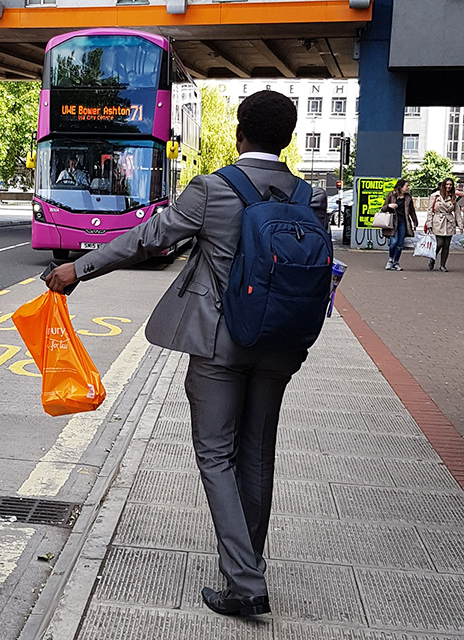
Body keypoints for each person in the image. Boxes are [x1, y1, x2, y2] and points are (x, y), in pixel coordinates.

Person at [46, 91, 327, 618]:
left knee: (216, 454)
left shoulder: (212, 189)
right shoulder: (307, 197)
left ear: (239, 131)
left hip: (221, 342)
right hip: (282, 344)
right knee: (258, 453)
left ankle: (244, 581)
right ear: (288, 138)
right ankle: (247, 566)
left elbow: (149, 239)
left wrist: (77, 269)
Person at [425, 177, 463, 272]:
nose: (448, 186)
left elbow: (457, 212)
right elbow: (429, 210)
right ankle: (432, 258)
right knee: (439, 243)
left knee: (446, 245)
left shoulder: (453, 196)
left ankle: (442, 265)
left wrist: (461, 225)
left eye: (450, 185)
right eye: (447, 184)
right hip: (438, 221)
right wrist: (429, 223)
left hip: (449, 221)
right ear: (443, 185)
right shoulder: (435, 196)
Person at [381, 179, 417, 271]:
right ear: (401, 187)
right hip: (393, 222)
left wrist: (415, 221)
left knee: (400, 244)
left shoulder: (408, 197)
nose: (408, 188)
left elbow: (412, 210)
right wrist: (389, 206)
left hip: (403, 221)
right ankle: (390, 260)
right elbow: (383, 208)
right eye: (406, 186)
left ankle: (396, 262)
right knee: (394, 242)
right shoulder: (391, 195)